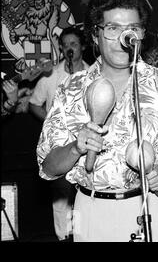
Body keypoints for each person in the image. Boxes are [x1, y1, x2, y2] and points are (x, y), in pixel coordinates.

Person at [36, 0, 158, 242]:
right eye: (112, 28)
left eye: (133, 28)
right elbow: (48, 165)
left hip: (150, 208)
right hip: (91, 211)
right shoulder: (72, 88)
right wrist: (76, 148)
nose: (124, 37)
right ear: (95, 35)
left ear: (141, 34)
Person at [29, 26, 90, 241]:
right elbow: (34, 104)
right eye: (65, 46)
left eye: (74, 44)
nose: (69, 49)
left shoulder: (94, 73)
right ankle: (63, 237)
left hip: (86, 146)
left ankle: (81, 235)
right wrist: (52, 121)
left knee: (84, 194)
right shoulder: (52, 74)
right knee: (61, 195)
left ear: (83, 45)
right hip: (61, 147)